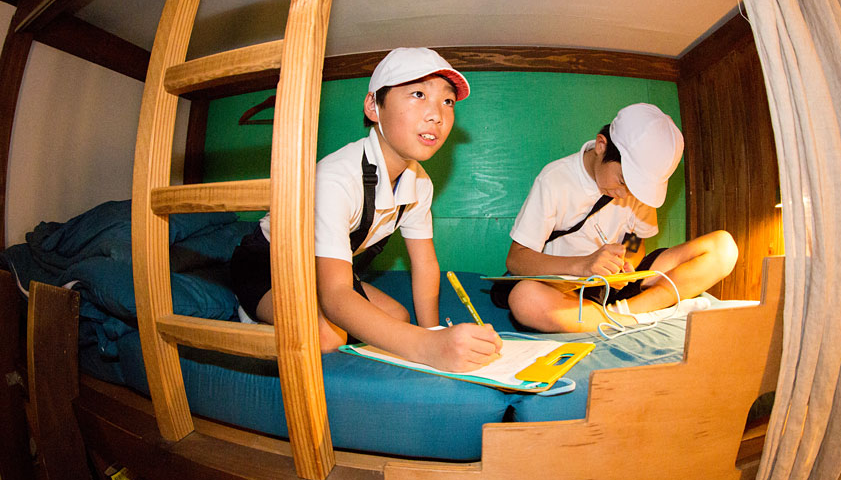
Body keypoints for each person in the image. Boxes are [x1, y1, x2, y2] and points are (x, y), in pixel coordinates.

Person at [230, 47, 501, 371]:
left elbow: (425, 265)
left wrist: (432, 333)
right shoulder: (335, 177)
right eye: (418, 94)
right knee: (328, 337)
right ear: (374, 106)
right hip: (269, 263)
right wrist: (426, 347)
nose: (437, 114)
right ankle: (251, 313)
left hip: (321, 268)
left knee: (398, 316)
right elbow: (336, 294)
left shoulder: (420, 184)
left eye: (448, 101)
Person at [494, 103, 738, 333]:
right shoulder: (554, 180)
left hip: (617, 285)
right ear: (601, 146)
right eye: (622, 181)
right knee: (524, 298)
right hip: (570, 287)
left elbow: (635, 239)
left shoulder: (633, 190)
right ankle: (638, 313)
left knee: (723, 248)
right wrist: (584, 265)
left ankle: (622, 314)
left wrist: (626, 262)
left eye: (635, 190)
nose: (624, 194)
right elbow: (517, 259)